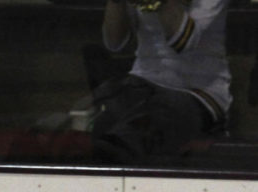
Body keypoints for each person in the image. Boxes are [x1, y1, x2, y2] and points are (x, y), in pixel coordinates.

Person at [91, 0, 231, 164]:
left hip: (198, 91)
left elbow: (184, 41)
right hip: (144, 82)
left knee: (141, 127)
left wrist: (160, 3)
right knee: (102, 120)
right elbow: (114, 43)